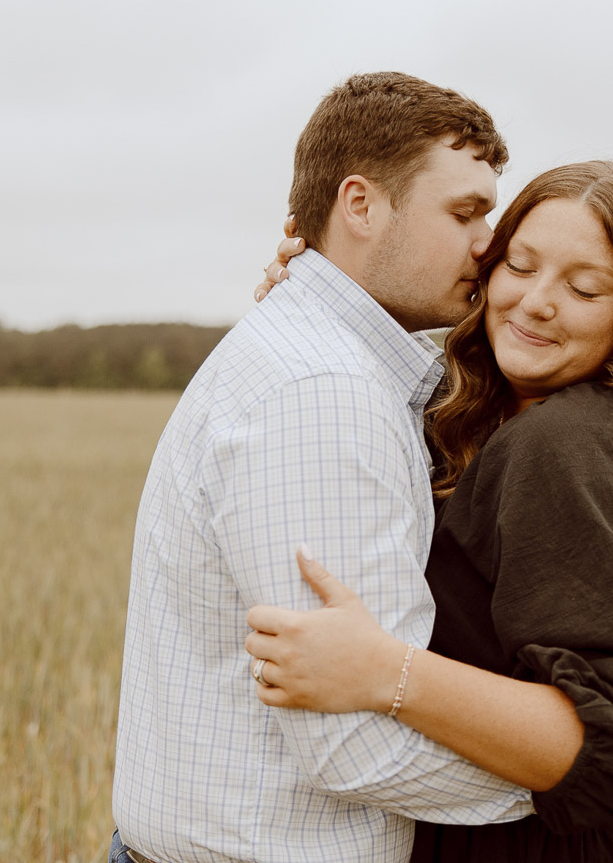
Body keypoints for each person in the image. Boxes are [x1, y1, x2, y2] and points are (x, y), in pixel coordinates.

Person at [244, 161, 613, 861]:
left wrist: (383, 671)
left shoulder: (569, 440)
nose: (538, 301)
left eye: (583, 287)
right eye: (520, 264)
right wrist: (317, 298)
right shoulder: (492, 414)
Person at [110, 72, 537, 863]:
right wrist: (579, 775)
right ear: (361, 205)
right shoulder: (324, 392)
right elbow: (356, 746)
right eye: (465, 212)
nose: (491, 243)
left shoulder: (319, 357)